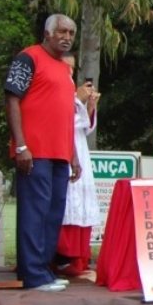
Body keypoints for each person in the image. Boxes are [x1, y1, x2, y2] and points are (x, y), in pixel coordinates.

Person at [4, 14, 80, 291]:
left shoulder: (64, 69)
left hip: (60, 153)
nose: (67, 37)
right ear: (47, 33)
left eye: (71, 32)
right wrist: (21, 145)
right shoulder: (28, 58)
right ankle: (32, 274)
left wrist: (73, 154)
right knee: (34, 212)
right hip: (34, 152)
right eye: (62, 31)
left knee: (53, 213)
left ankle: (44, 271)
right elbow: (12, 99)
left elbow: (65, 115)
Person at [55, 55, 100, 277]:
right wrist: (77, 100)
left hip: (79, 147)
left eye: (72, 68)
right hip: (62, 148)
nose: (69, 72)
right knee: (66, 201)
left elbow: (84, 128)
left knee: (81, 198)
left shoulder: (72, 89)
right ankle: (62, 256)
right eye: (66, 67)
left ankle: (78, 256)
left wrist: (89, 107)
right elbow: (59, 118)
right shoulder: (56, 88)